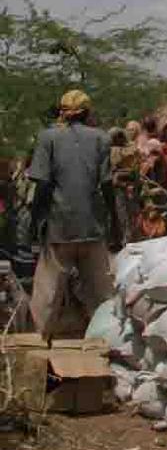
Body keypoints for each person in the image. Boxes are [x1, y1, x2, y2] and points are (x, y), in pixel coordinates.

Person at [27, 90, 114, 341]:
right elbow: (107, 185)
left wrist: (35, 223)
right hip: (93, 227)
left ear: (62, 112)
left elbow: (42, 185)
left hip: (59, 227)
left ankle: (35, 349)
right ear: (87, 113)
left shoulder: (48, 138)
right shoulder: (101, 139)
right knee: (101, 296)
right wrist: (115, 223)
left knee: (47, 296)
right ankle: (107, 347)